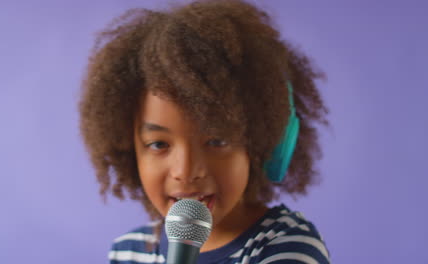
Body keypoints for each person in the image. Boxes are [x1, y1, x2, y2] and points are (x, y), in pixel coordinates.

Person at [78, 0, 331, 263]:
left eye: (216, 140)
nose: (186, 171)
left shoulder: (287, 249)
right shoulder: (128, 251)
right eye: (158, 144)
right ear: (131, 153)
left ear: (261, 144)